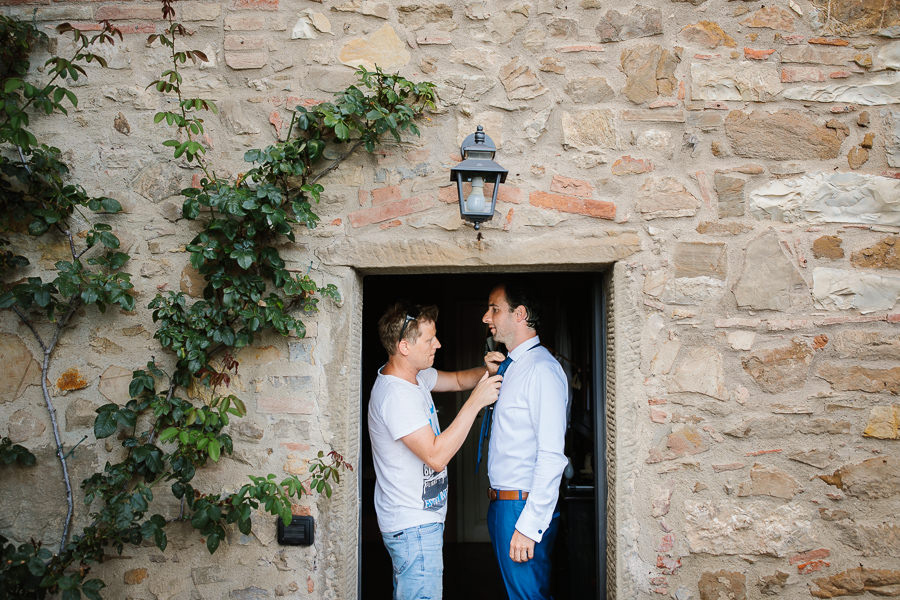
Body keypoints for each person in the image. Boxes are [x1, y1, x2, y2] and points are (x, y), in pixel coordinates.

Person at [368, 302, 503, 600]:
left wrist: (488, 371)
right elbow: (436, 456)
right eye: (430, 340)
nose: (438, 344)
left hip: (419, 523)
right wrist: (476, 401)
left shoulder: (415, 377)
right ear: (404, 346)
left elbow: (456, 380)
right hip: (412, 526)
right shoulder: (396, 395)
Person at [480, 283, 568, 600]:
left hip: (522, 507)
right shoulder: (513, 367)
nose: (486, 317)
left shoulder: (542, 370)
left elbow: (551, 456)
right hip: (503, 506)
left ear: (520, 314)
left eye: (494, 308)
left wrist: (529, 526)